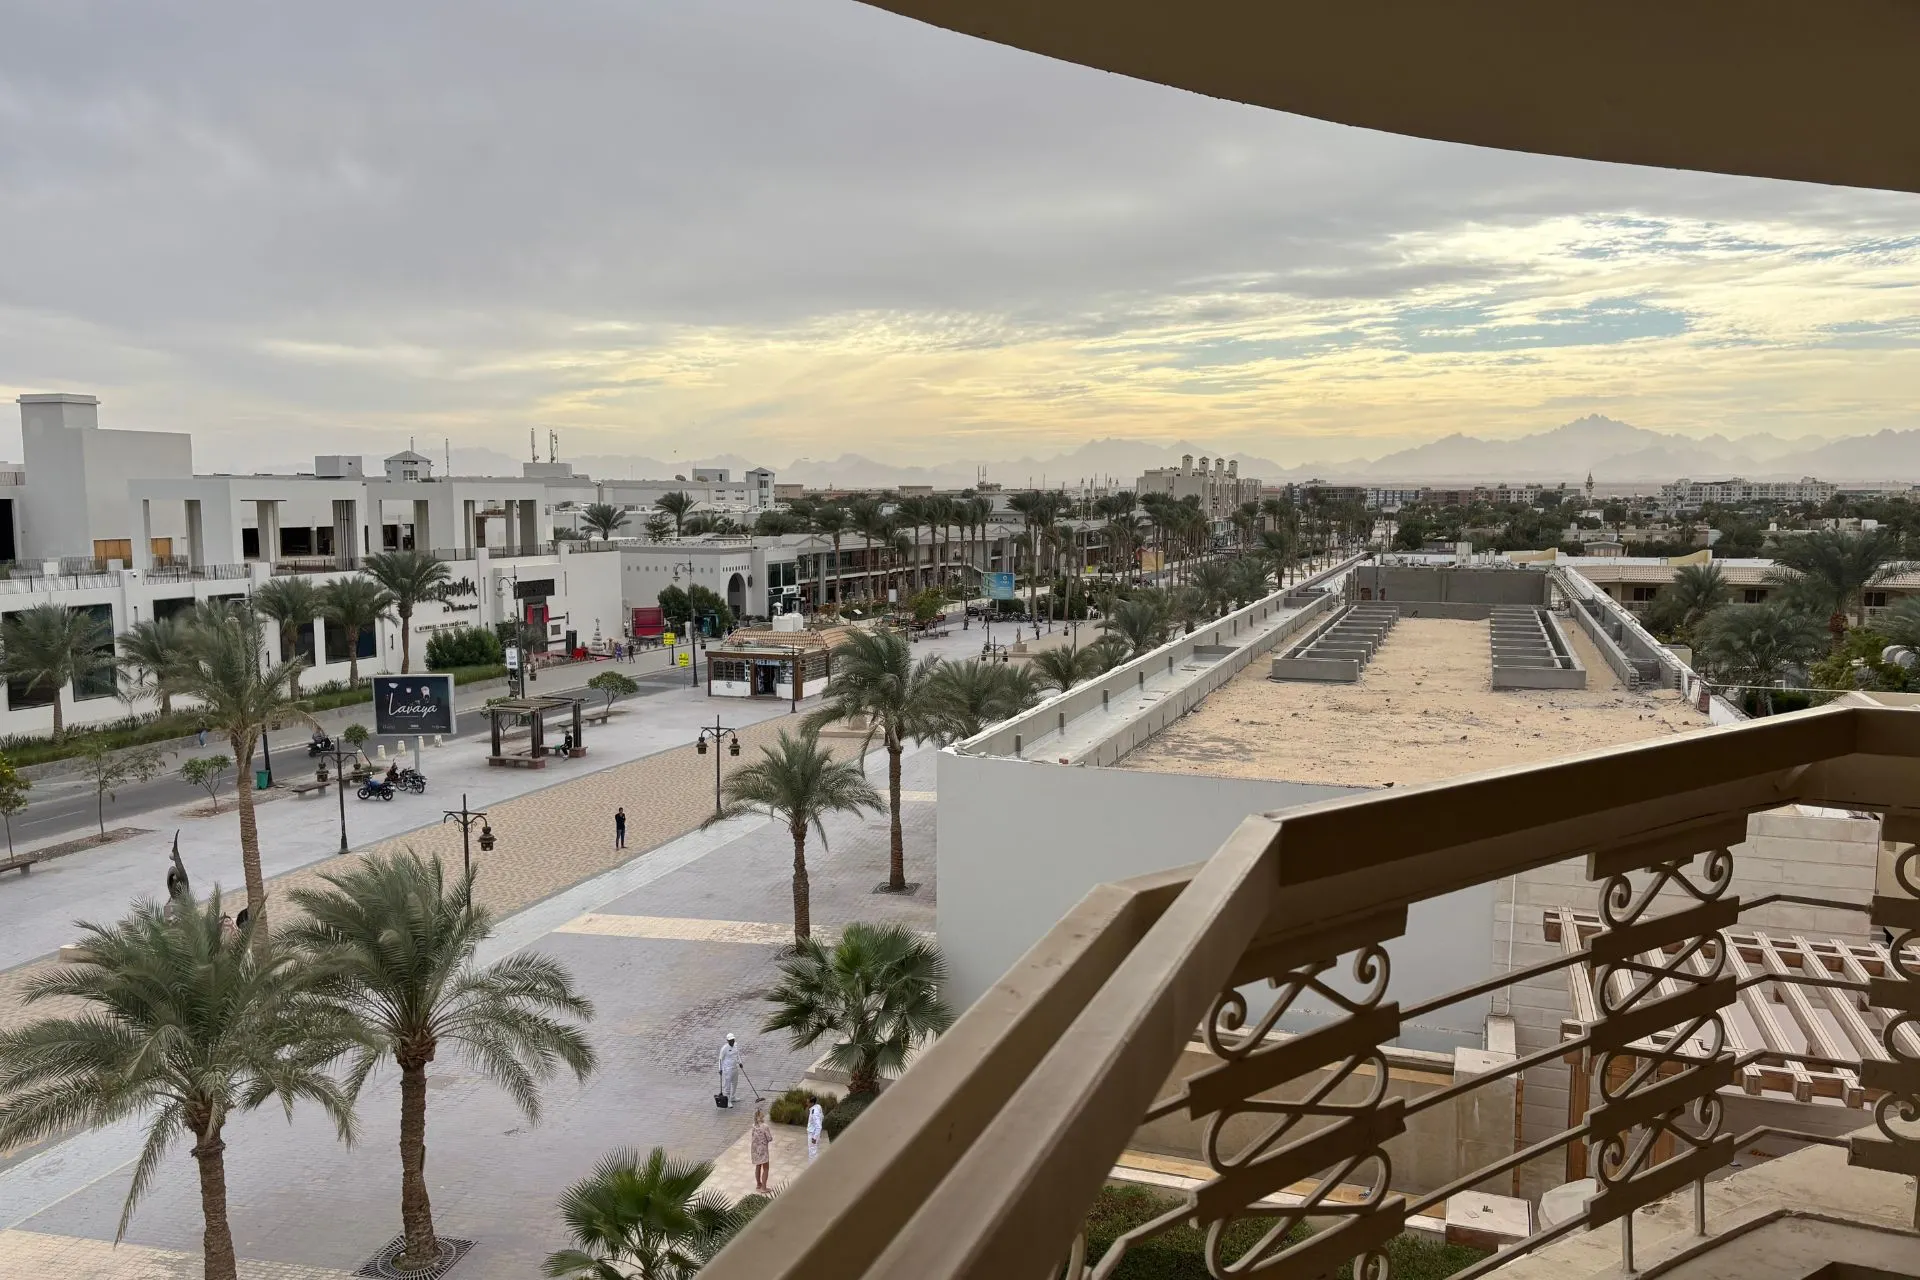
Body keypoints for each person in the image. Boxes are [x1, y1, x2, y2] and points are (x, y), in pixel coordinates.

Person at [749, 1107, 773, 1193]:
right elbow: (769, 1138)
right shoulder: (765, 1126)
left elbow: (753, 1136)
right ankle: (764, 1188)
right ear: (761, 1116)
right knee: (766, 1168)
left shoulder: (754, 1126)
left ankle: (758, 1184)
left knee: (758, 1166)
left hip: (755, 1149)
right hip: (763, 1150)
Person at [718, 1033, 740, 1108]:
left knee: (735, 1083)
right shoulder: (724, 1048)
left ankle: (733, 1097)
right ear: (728, 1040)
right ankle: (728, 1101)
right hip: (728, 1069)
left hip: (735, 1068)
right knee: (727, 1086)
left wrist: (740, 1062)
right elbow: (720, 1059)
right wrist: (720, 1069)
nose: (732, 1041)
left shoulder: (736, 1045)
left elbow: (737, 1055)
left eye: (733, 1040)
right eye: (730, 1040)